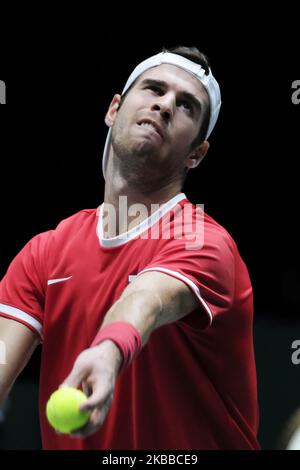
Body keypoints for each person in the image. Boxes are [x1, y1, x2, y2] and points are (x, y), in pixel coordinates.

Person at [0, 46, 260, 450]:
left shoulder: (204, 241)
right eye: (154, 88)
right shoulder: (45, 254)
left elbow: (148, 298)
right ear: (113, 109)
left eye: (186, 105)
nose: (164, 105)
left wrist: (108, 351)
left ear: (197, 153)